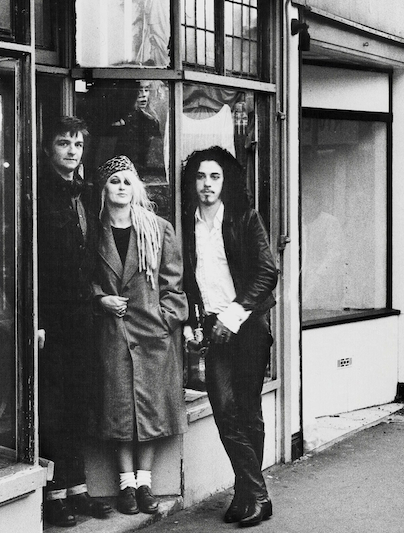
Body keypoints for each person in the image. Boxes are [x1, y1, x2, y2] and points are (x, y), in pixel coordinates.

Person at [181, 147, 278, 528]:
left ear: (225, 182)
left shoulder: (243, 217)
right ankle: (254, 493)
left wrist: (234, 316)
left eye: (215, 177)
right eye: (201, 177)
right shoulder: (186, 222)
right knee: (225, 410)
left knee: (248, 411)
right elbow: (186, 279)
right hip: (212, 329)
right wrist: (191, 321)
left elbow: (267, 272)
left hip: (248, 327)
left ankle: (250, 494)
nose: (207, 184)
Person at [93, 155, 187, 515]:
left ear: (136, 188)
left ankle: (145, 483)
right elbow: (82, 277)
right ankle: (125, 486)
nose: (120, 186)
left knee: (150, 411)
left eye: (126, 181)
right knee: (118, 411)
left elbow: (174, 283)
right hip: (112, 334)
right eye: (114, 180)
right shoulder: (93, 229)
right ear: (104, 188)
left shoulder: (158, 229)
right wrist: (99, 299)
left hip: (152, 333)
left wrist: (166, 319)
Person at [37, 116, 112, 527]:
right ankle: (54, 494)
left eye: (77, 144)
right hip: (52, 318)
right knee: (54, 405)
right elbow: (29, 260)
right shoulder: (39, 192)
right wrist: (38, 319)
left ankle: (79, 488)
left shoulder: (85, 194)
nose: (71, 151)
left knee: (79, 401)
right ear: (50, 148)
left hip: (83, 315)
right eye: (63, 143)